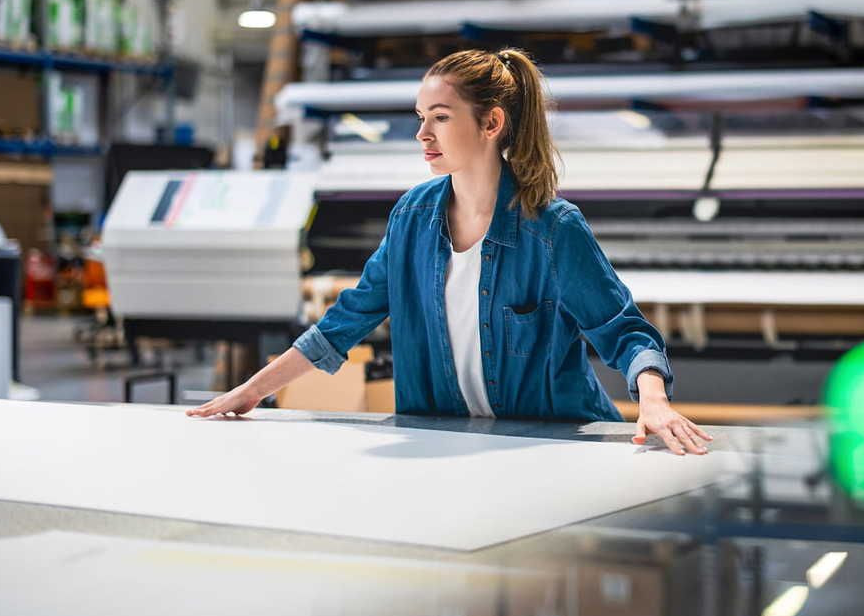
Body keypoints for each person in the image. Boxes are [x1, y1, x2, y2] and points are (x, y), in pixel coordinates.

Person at [188, 48, 711, 455]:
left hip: (553, 448)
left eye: (440, 117)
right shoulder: (412, 218)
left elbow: (623, 332)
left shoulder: (551, 229)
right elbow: (347, 319)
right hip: (447, 441)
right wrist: (252, 391)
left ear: (491, 124)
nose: (422, 134)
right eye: (420, 117)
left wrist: (655, 402)